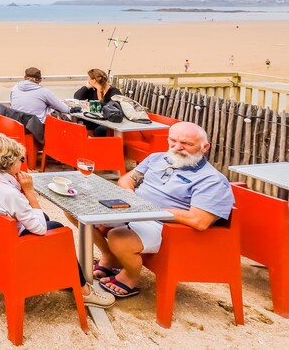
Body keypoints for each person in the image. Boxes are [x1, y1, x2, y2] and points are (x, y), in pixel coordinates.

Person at [0, 135, 115, 308]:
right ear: (10, 163)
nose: (22, 163)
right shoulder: (11, 194)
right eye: (21, 159)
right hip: (13, 244)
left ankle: (67, 275)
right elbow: (39, 229)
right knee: (58, 230)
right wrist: (30, 193)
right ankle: (84, 291)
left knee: (45, 218)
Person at [93, 122, 234, 298]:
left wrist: (151, 210)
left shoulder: (212, 180)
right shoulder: (157, 158)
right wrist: (130, 194)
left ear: (205, 147)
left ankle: (130, 276)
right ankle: (109, 256)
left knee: (118, 237)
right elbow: (127, 179)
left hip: (165, 225)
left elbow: (199, 220)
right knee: (81, 214)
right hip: (135, 210)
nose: (177, 147)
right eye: (173, 141)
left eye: (186, 143)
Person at [73, 68, 122, 136]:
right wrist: (86, 87)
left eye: (89, 79)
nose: (88, 81)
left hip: (108, 122)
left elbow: (115, 106)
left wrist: (95, 105)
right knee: (80, 124)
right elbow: (77, 97)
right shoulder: (92, 90)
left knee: (99, 130)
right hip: (95, 119)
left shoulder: (114, 92)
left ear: (94, 80)